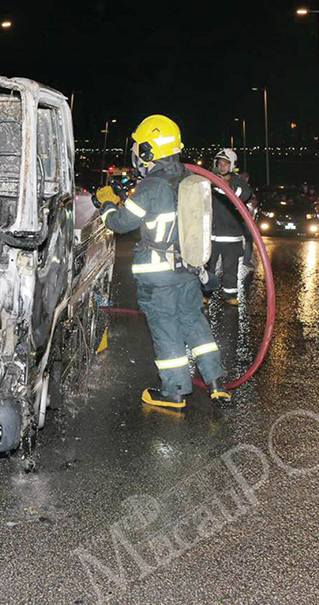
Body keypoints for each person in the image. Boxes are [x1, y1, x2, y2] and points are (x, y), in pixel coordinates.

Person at [100, 114, 230, 408]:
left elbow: (120, 223)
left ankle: (174, 391)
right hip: (189, 271)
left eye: (138, 148)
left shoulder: (151, 187)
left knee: (166, 329)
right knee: (196, 324)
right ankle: (216, 383)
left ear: (148, 151)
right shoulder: (189, 180)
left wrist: (107, 203)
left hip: (159, 277)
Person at [206, 148, 252, 306]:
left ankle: (230, 296)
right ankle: (205, 294)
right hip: (211, 234)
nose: (222, 166)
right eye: (219, 163)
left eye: (225, 163)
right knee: (208, 267)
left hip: (232, 236)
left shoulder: (238, 182)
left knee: (230, 268)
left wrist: (221, 185)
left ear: (232, 165)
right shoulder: (209, 180)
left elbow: (242, 195)